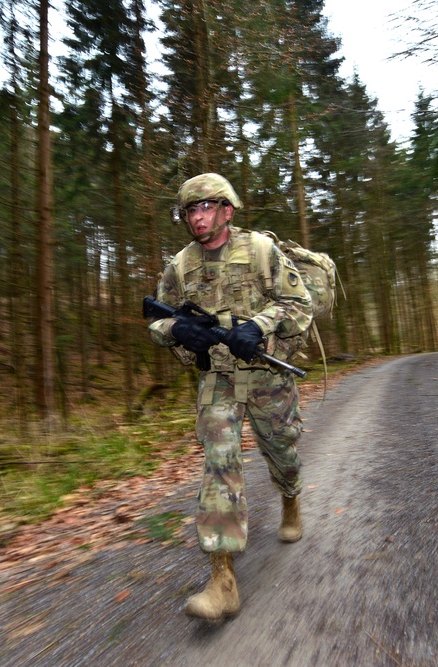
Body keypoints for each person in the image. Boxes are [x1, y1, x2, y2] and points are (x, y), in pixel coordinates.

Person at [148, 173, 314, 620]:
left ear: (228, 210)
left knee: (282, 450)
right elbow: (157, 318)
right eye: (190, 211)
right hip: (217, 379)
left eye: (206, 208)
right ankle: (222, 580)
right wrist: (177, 330)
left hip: (266, 374)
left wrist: (257, 326)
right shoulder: (180, 266)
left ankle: (290, 495)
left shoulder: (261, 250)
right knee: (219, 460)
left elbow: (300, 303)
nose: (197, 217)